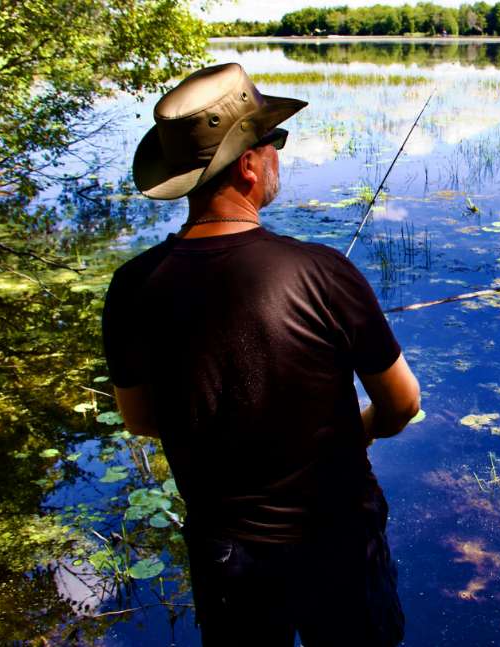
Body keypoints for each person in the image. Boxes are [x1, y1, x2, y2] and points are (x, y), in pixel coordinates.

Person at [101, 63, 420, 646]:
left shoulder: (133, 286)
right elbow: (401, 403)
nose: (278, 152)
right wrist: (362, 429)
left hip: (226, 553)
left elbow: (143, 419)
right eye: (273, 140)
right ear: (249, 163)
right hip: (338, 539)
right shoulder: (322, 272)